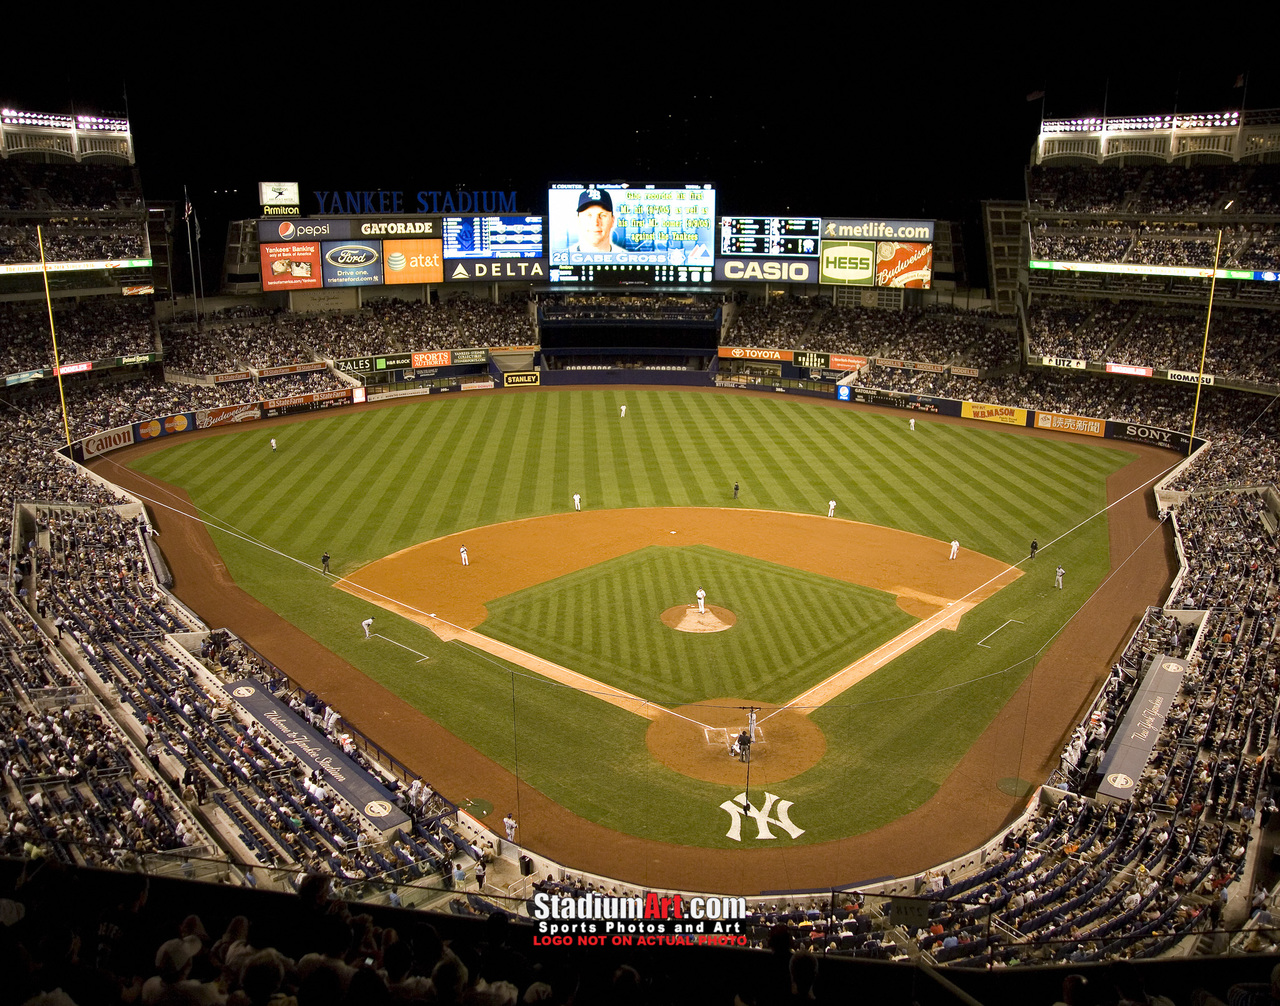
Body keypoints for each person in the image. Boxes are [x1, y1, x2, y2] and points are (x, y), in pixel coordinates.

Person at [575, 187, 625, 253]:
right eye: (588, 215)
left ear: (612, 221)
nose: (595, 222)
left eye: (602, 215)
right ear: (578, 220)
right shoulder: (562, 259)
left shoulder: (629, 260)